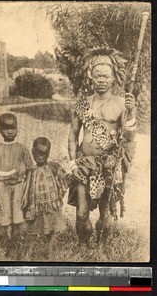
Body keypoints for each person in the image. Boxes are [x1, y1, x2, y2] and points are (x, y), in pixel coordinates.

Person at [68, 47, 136, 245]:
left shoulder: (122, 104)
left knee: (106, 214)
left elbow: (130, 138)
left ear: (113, 77)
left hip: (110, 165)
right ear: (91, 76)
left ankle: (102, 247)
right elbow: (72, 137)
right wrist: (73, 165)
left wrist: (130, 113)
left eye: (106, 76)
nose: (101, 80)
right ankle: (82, 245)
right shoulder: (83, 104)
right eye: (97, 75)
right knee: (81, 214)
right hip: (85, 164)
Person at [0, 113, 34, 255]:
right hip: (1, 188)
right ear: (0, 130)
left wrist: (26, 193)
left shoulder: (22, 148)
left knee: (17, 219)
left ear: (17, 129)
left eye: (12, 128)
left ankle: (13, 247)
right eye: (6, 128)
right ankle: (5, 245)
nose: (10, 131)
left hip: (18, 187)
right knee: (3, 220)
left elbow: (30, 170)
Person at [25, 137, 67, 259]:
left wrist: (67, 177)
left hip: (52, 205)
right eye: (38, 153)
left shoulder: (53, 166)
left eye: (44, 154)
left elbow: (63, 176)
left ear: (48, 153)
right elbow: (26, 186)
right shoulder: (30, 170)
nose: (41, 157)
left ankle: (49, 251)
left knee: (52, 228)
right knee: (32, 230)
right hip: (36, 206)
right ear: (33, 152)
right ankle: (28, 252)